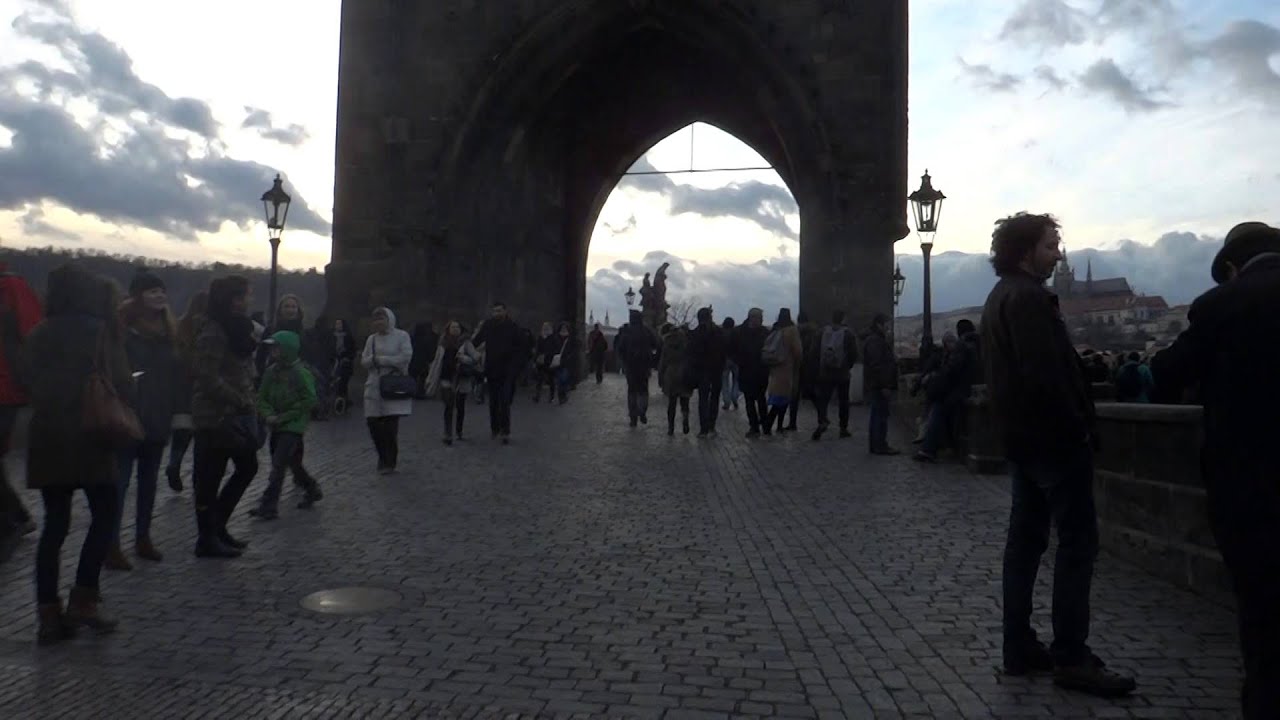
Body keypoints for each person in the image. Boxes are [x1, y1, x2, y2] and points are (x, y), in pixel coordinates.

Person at [980, 212, 1135, 697]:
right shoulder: (1027, 298)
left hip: (1023, 439)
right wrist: (1077, 430)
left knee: (1025, 544)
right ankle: (1071, 655)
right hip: (1052, 441)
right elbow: (1045, 375)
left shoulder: (1000, 295)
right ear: (1025, 250)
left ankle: (1019, 645)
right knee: (1076, 546)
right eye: (1050, 246)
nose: (1057, 254)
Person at [1150, 221, 1280, 719]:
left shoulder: (1223, 305)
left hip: (1253, 487)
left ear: (1231, 267)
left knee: (1263, 612)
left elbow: (1165, 375)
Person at [25, 264, 128, 643]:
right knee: (104, 514)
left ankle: (47, 614)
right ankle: (84, 598)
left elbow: (24, 378)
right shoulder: (100, 331)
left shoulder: (39, 332)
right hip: (91, 435)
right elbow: (119, 379)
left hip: (48, 436)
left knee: (54, 526)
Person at [109, 270, 179, 569]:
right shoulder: (122, 328)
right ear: (138, 296)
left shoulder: (169, 330)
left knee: (149, 482)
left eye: (161, 291)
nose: (159, 296)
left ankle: (143, 537)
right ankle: (111, 544)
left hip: (159, 413)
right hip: (129, 413)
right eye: (152, 291)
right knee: (119, 484)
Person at [190, 275, 261, 559]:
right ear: (233, 299)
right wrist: (238, 398)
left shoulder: (239, 330)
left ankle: (217, 527)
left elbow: (242, 369)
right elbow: (207, 377)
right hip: (214, 414)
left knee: (247, 466)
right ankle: (207, 538)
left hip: (237, 412)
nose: (249, 300)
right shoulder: (213, 331)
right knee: (209, 477)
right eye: (245, 295)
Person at [249, 331, 323, 519]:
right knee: (293, 463)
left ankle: (269, 505)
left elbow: (309, 399)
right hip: (276, 424)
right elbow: (262, 397)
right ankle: (311, 487)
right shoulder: (271, 371)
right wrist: (268, 415)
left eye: (277, 347)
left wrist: (284, 416)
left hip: (293, 426)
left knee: (278, 464)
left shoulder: (300, 372)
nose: (273, 351)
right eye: (272, 347)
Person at [0, 260, 43, 562]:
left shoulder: (11, 286)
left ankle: (12, 519)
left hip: (6, 387)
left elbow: (33, 333)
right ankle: (15, 515)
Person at [916, 320, 981, 462]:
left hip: (960, 390)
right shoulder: (979, 344)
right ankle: (936, 446)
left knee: (939, 406)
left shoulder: (963, 346)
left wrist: (936, 380)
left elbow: (952, 370)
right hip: (972, 388)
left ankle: (929, 448)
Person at [361, 307, 413, 472]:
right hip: (374, 384)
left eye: (381, 319)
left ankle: (389, 461)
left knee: (390, 427)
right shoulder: (372, 339)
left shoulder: (402, 336)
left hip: (393, 384)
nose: (378, 323)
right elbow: (365, 360)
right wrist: (372, 361)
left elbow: (405, 357)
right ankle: (382, 455)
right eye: (375, 319)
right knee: (373, 423)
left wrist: (381, 360)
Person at [165, 291, 207, 493]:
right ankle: (199, 477)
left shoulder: (181, 325)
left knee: (181, 432)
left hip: (180, 385)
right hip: (201, 385)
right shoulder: (209, 327)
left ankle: (175, 462)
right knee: (202, 435)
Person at [472, 302, 523, 443]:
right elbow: (477, 341)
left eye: (499, 311)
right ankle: (495, 428)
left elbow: (520, 348)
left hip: (507, 370)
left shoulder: (513, 327)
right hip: (492, 369)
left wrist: (516, 367)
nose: (497, 314)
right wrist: (466, 346)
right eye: (494, 311)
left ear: (505, 311)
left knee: (505, 401)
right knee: (493, 401)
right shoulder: (488, 325)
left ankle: (505, 431)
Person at [425, 320, 482, 445]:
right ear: (448, 329)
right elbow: (436, 362)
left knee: (460, 406)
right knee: (449, 405)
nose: (455, 329)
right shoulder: (442, 343)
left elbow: (475, 357)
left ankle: (459, 430)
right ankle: (448, 433)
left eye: (457, 327)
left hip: (461, 378)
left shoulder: (466, 343)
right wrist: (430, 378)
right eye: (453, 327)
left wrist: (464, 359)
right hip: (446, 377)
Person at [812, 310, 859, 441]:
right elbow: (854, 353)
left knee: (823, 400)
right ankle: (843, 428)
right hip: (842, 373)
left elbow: (814, 352)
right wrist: (847, 366)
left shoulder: (822, 332)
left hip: (825, 372)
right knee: (843, 401)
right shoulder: (848, 333)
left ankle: (822, 421)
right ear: (844, 319)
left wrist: (820, 366)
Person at [862, 313, 899, 455]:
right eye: (887, 325)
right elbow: (877, 365)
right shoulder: (876, 341)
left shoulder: (875, 340)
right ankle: (879, 445)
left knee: (878, 414)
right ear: (879, 325)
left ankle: (877, 445)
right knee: (880, 415)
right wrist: (884, 385)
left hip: (876, 383)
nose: (889, 329)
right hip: (879, 385)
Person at [616, 309, 659, 427]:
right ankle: (642, 410)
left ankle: (633, 417)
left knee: (632, 391)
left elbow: (620, 348)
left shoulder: (626, 331)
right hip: (644, 366)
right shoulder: (646, 331)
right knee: (643, 390)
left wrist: (624, 360)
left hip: (630, 366)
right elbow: (656, 344)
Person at [688, 307, 727, 437]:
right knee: (714, 398)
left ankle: (703, 429)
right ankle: (711, 426)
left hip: (702, 370)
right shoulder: (718, 332)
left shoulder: (695, 333)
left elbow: (691, 354)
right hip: (716, 369)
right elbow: (723, 352)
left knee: (703, 399)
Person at [763, 309, 803, 432]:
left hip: (775, 367)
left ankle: (773, 425)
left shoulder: (776, 328)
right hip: (788, 368)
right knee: (783, 398)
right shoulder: (792, 330)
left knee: (778, 397)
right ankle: (771, 424)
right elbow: (797, 351)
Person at [732, 308, 770, 437]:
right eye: (756, 318)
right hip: (746, 371)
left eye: (759, 318)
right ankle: (754, 426)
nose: (758, 320)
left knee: (761, 400)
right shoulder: (740, 332)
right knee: (749, 401)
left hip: (761, 372)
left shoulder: (765, 332)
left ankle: (765, 425)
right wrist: (740, 361)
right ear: (750, 318)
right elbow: (733, 349)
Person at [657, 323, 692, 435]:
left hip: (671, 374)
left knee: (671, 403)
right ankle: (685, 418)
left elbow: (662, 362)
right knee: (685, 402)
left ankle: (671, 427)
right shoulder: (686, 342)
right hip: (685, 373)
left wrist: (660, 378)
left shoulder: (667, 343)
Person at [409, 322, 439, 399]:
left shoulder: (412, 338)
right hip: (423, 362)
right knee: (422, 378)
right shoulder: (426, 339)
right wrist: (430, 359)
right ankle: (420, 392)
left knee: (413, 377)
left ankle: (412, 391)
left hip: (413, 361)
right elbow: (429, 351)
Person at [532, 322, 559, 403]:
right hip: (541, 361)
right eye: (544, 327)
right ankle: (537, 395)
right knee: (539, 379)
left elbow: (555, 349)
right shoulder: (541, 337)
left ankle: (551, 396)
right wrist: (536, 359)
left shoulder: (553, 338)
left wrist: (547, 354)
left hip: (549, 361)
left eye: (547, 327)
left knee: (551, 380)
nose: (545, 329)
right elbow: (538, 349)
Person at [552, 321, 576, 404]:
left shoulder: (570, 339)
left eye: (565, 328)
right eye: (562, 328)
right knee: (560, 380)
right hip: (558, 362)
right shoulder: (556, 338)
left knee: (564, 379)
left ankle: (563, 395)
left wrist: (570, 356)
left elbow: (574, 349)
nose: (563, 329)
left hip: (566, 362)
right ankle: (561, 396)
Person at [720, 317, 739, 411]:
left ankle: (726, 401)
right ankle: (735, 397)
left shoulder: (721, 334)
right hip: (736, 360)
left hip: (724, 360)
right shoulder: (737, 334)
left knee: (724, 382)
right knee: (736, 380)